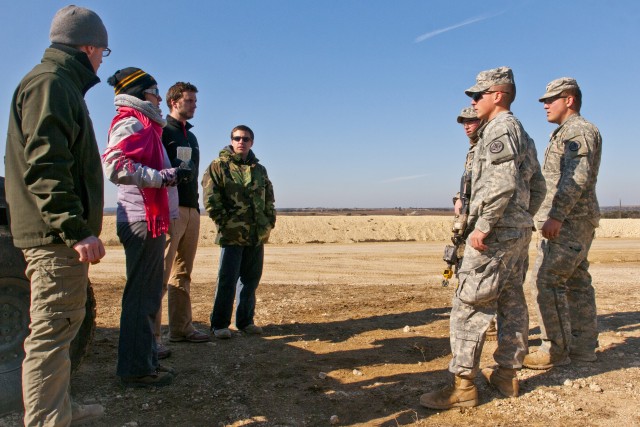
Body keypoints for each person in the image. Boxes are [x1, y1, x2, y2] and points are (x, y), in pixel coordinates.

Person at [4, 5, 108, 425]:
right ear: (87, 47)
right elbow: (47, 167)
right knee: (50, 333)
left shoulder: (56, 82)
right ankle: (48, 419)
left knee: (62, 328)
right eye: (103, 51)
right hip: (54, 238)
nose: (102, 60)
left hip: (54, 236)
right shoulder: (51, 84)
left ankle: (59, 407)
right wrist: (75, 229)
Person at [420, 67, 545, 409]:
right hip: (515, 232)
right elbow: (538, 186)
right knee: (511, 301)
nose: (473, 102)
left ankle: (463, 388)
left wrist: (485, 225)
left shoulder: (499, 129)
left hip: (494, 236)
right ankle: (506, 375)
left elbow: (501, 184)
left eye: (478, 95)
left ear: (499, 95)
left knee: (468, 306)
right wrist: (522, 218)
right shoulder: (520, 132)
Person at [102, 67, 192, 387]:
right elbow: (115, 166)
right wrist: (163, 178)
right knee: (142, 296)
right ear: (142, 94)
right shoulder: (130, 122)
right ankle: (136, 369)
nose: (157, 96)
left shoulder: (143, 124)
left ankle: (144, 359)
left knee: (148, 294)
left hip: (148, 219)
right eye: (154, 91)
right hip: (140, 219)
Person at [523, 78, 602, 369]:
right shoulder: (565, 132)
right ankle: (583, 348)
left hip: (569, 219)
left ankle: (553, 349)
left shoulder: (577, 131)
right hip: (576, 218)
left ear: (569, 100)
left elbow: (575, 177)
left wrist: (555, 215)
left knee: (546, 280)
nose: (545, 104)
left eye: (551, 99)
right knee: (577, 281)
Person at [202, 125, 276, 339]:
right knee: (227, 279)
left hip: (256, 233)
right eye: (237, 138)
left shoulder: (259, 170)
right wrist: (224, 222)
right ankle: (219, 325)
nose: (241, 142)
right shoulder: (219, 166)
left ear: (251, 142)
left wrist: (269, 221)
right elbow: (210, 197)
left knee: (251, 279)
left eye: (245, 138)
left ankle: (245, 322)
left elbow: (269, 197)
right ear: (231, 141)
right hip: (232, 233)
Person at [154, 82, 209, 359]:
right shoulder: (162, 131)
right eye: (189, 100)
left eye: (195, 101)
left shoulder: (192, 137)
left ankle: (181, 328)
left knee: (183, 272)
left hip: (192, 209)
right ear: (174, 102)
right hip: (169, 209)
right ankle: (151, 338)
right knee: (160, 275)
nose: (194, 105)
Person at [453, 108, 497, 341]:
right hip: (470, 216)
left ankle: (489, 321)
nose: (467, 126)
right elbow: (470, 183)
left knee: (484, 273)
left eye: (472, 121)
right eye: (464, 123)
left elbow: (498, 183)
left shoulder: (490, 144)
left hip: (486, 218)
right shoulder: (472, 151)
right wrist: (458, 199)